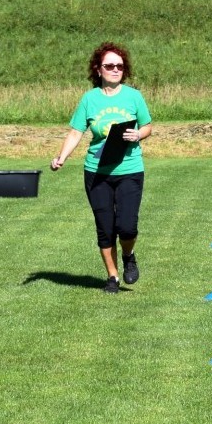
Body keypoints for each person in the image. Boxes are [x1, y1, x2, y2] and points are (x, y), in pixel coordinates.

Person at [51, 42, 153, 294]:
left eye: (120, 66)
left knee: (127, 226)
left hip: (129, 169)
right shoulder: (89, 99)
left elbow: (148, 126)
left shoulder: (134, 96)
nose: (115, 69)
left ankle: (129, 255)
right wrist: (61, 157)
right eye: (110, 66)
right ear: (98, 70)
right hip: (97, 172)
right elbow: (76, 132)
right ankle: (112, 277)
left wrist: (138, 135)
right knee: (105, 226)